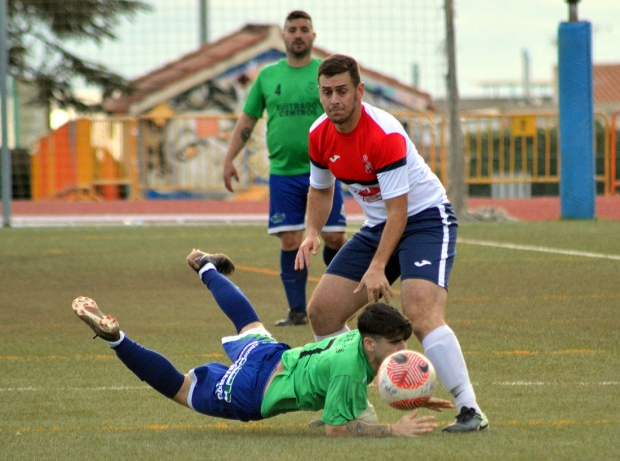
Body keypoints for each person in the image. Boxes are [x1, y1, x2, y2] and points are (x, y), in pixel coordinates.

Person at [295, 54, 488, 433]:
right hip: (379, 224)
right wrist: (312, 232)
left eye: (342, 91)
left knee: (418, 311)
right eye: (327, 92)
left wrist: (377, 266)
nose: (335, 99)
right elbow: (321, 189)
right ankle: (354, 407)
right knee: (322, 312)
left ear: (359, 92)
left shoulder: (384, 133)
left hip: (426, 219)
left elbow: (399, 212)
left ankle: (469, 409)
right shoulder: (319, 133)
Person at [71, 249, 454, 437]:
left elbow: (340, 400)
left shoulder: (355, 339)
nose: (405, 350)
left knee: (248, 323)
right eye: (396, 342)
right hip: (253, 390)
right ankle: (117, 339)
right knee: (181, 389)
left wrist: (412, 394)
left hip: (272, 356)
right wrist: (393, 430)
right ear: (369, 344)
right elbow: (336, 429)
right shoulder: (351, 372)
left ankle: (205, 267)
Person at [223, 10, 347, 327]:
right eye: (292, 29)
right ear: (284, 36)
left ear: (313, 36)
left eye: (304, 29)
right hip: (283, 173)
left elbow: (346, 115)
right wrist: (229, 158)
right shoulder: (268, 76)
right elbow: (248, 119)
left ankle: (339, 300)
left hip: (325, 171)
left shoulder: (324, 74)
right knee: (290, 240)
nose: (298, 34)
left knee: (334, 239)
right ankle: (297, 311)